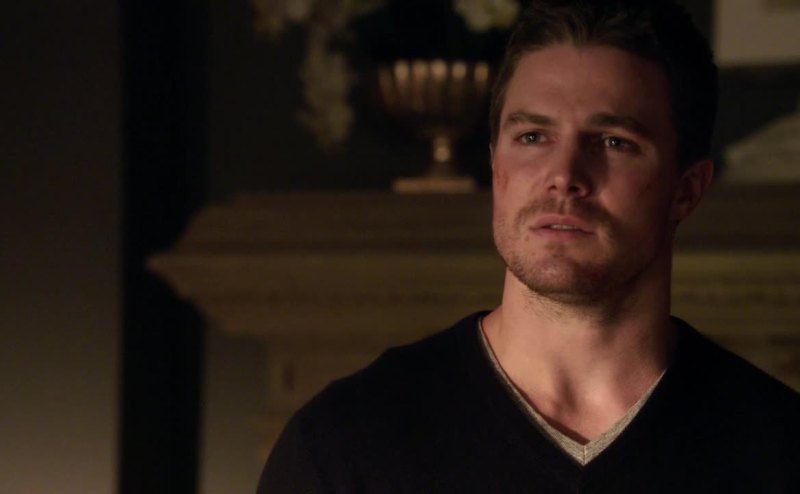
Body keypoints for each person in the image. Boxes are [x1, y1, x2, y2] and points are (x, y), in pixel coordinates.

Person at [258, 1, 800, 492]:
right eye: (533, 137)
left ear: (687, 190)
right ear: (497, 166)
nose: (564, 176)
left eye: (614, 142)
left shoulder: (780, 451)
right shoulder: (341, 445)